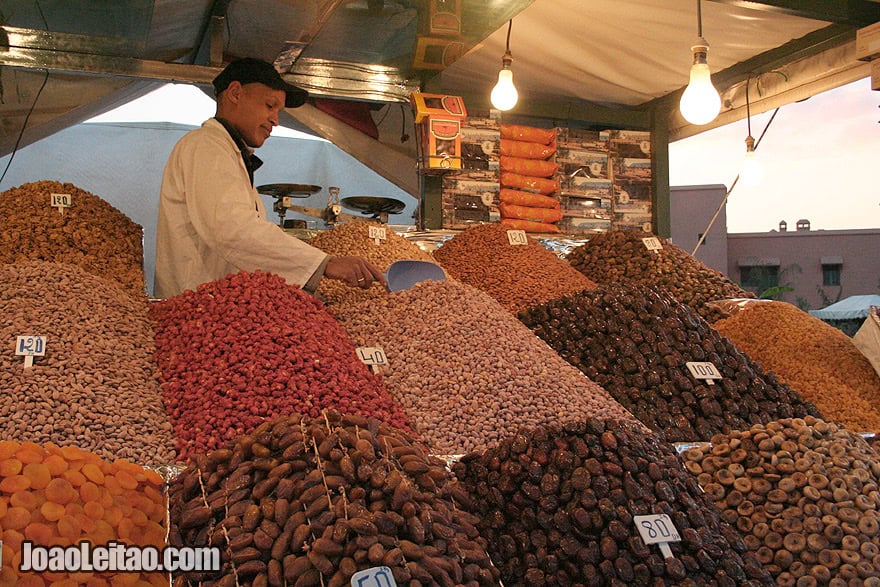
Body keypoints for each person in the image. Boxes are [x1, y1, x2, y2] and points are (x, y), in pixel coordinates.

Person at [154, 57, 385, 298]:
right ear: (235, 93)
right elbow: (233, 230)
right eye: (269, 105)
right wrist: (324, 263)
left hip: (218, 309)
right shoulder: (205, 146)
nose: (275, 120)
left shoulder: (231, 154)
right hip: (195, 313)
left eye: (278, 111)